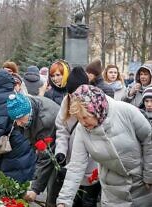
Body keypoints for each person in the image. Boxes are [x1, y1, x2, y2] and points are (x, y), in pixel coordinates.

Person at [56, 84, 152, 207]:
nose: (83, 122)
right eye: (79, 118)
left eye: (85, 117)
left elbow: (149, 140)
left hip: (142, 186)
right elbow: (76, 165)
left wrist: (149, 175)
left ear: (96, 109)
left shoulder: (127, 111)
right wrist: (64, 201)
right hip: (112, 191)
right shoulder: (82, 129)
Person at [55, 66, 100, 207]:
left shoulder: (95, 103)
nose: (73, 98)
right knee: (72, 199)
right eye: (71, 94)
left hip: (92, 164)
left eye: (76, 93)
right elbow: (62, 130)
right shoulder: (66, 102)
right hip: (72, 161)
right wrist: (60, 152)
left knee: (88, 201)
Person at [6, 93, 60, 207]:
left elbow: (47, 157)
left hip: (61, 149)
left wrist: (35, 189)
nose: (18, 123)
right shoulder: (21, 109)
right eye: (16, 120)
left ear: (28, 112)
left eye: (20, 119)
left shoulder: (45, 120)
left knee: (54, 187)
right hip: (46, 144)